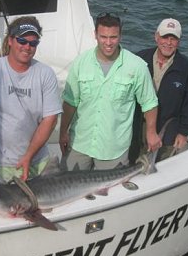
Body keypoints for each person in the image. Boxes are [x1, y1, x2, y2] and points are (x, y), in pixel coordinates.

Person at [0, 16, 61, 183]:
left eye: (33, 43)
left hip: (36, 162)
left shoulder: (46, 74)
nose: (27, 47)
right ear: (10, 41)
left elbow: (50, 120)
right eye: (22, 40)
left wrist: (28, 156)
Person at [59, 13, 161, 171]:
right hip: (80, 142)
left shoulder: (137, 66)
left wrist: (151, 133)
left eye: (113, 37)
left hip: (114, 149)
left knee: (113, 195)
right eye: (103, 37)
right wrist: (63, 131)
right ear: (95, 35)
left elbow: (149, 103)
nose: (108, 43)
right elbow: (71, 102)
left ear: (120, 36)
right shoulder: (80, 62)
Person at [137, 18, 188, 161]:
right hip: (137, 127)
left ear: (179, 41)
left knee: (158, 169)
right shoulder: (139, 59)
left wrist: (184, 133)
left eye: (173, 39)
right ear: (156, 36)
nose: (168, 42)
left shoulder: (187, 69)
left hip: (167, 133)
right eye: (165, 37)